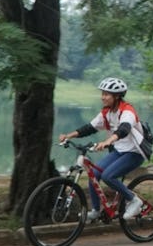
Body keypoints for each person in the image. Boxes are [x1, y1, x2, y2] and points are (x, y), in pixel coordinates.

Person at [58, 77, 147, 220]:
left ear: (117, 96)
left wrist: (108, 141)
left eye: (106, 94)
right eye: (102, 94)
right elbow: (89, 128)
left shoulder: (127, 111)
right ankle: (96, 210)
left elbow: (124, 129)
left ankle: (134, 200)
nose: (102, 97)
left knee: (108, 176)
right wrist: (69, 136)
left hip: (134, 153)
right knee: (94, 173)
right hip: (119, 151)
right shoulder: (107, 112)